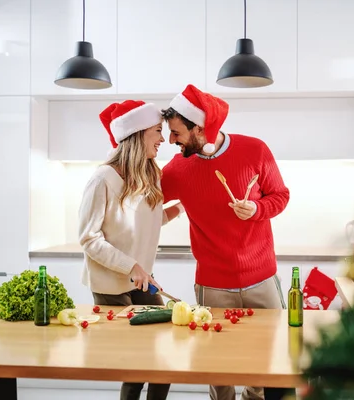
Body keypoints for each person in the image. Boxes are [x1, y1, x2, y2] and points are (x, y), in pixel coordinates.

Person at [160, 84, 293, 400]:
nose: (170, 141)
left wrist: (258, 209)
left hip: (261, 278)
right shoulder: (177, 169)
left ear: (201, 129)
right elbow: (145, 202)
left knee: (269, 360)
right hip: (213, 284)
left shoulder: (255, 150)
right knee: (217, 366)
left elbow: (281, 195)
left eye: (177, 133)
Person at [78, 99, 183, 400]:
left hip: (141, 278)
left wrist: (182, 207)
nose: (164, 139)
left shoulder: (149, 174)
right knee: (136, 362)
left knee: (163, 352)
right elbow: (89, 238)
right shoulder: (102, 180)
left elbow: (145, 225)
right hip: (111, 285)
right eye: (157, 131)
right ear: (137, 134)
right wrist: (132, 266)